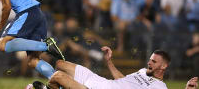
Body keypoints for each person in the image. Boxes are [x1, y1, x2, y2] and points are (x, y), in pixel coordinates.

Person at [34, 46, 171, 89]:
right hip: (103, 82)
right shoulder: (143, 72)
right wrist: (109, 61)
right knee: (60, 64)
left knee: (58, 76)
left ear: (164, 66)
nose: (149, 63)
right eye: (150, 60)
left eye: (153, 61)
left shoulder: (160, 86)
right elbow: (122, 79)